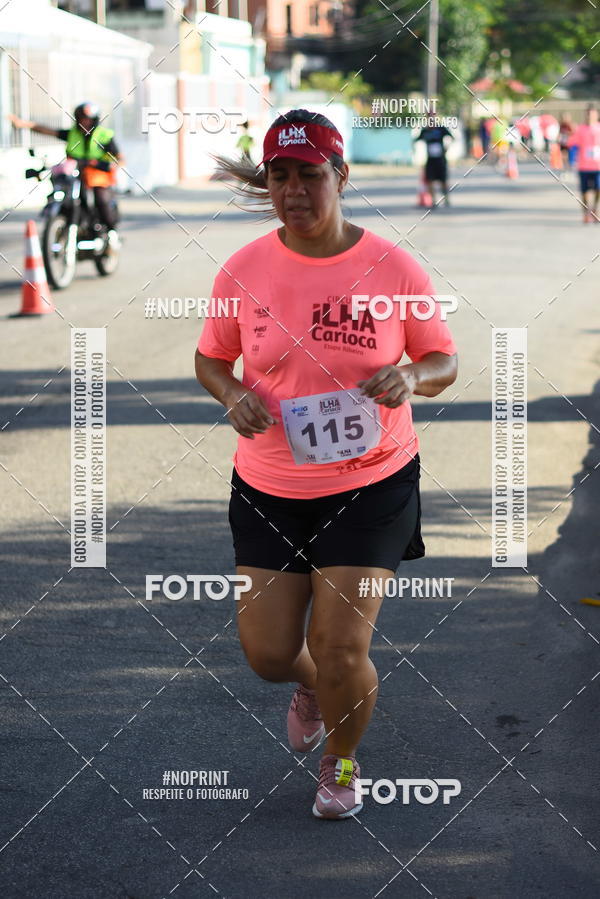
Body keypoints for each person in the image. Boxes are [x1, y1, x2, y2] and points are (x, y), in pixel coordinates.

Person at [195, 109, 458, 820]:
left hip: (371, 480)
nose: (294, 191)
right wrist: (231, 394)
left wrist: (413, 377)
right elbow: (211, 357)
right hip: (269, 483)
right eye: (279, 176)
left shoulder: (391, 266)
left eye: (310, 175)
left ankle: (341, 761)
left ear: (340, 176)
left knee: (340, 646)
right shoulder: (244, 268)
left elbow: (444, 355)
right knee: (272, 653)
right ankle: (313, 687)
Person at [8, 102, 123, 247]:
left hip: (97, 177)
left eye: (88, 119)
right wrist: (23, 124)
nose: (84, 122)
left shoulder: (104, 135)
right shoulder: (72, 134)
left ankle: (111, 233)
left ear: (94, 120)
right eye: (81, 118)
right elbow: (46, 130)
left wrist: (105, 164)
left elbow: (119, 159)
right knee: (63, 193)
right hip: (75, 175)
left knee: (101, 199)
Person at [568, 105, 600, 223]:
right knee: (584, 191)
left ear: (596, 115)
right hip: (584, 166)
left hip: (598, 165)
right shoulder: (580, 129)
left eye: (592, 114)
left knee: (598, 188)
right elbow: (571, 143)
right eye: (588, 114)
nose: (590, 116)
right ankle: (586, 213)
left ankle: (595, 209)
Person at [415, 116, 453, 206]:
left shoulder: (441, 129)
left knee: (443, 180)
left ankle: (446, 198)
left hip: (441, 159)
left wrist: (446, 148)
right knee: (430, 180)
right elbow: (416, 140)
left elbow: (452, 137)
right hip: (430, 160)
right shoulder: (425, 131)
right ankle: (433, 200)